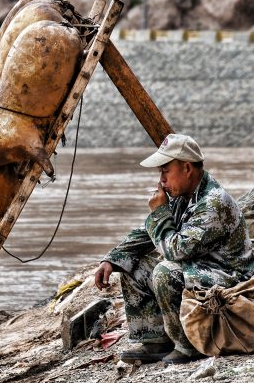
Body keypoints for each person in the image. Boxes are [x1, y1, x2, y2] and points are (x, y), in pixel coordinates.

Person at [94, 134, 254, 364]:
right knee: (133, 264)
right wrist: (112, 259)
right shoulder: (184, 196)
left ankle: (188, 345)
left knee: (166, 271)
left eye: (165, 172)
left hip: (232, 277)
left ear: (187, 168)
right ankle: (156, 340)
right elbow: (145, 233)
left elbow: (176, 251)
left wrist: (158, 213)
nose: (161, 181)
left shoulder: (213, 203)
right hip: (202, 268)